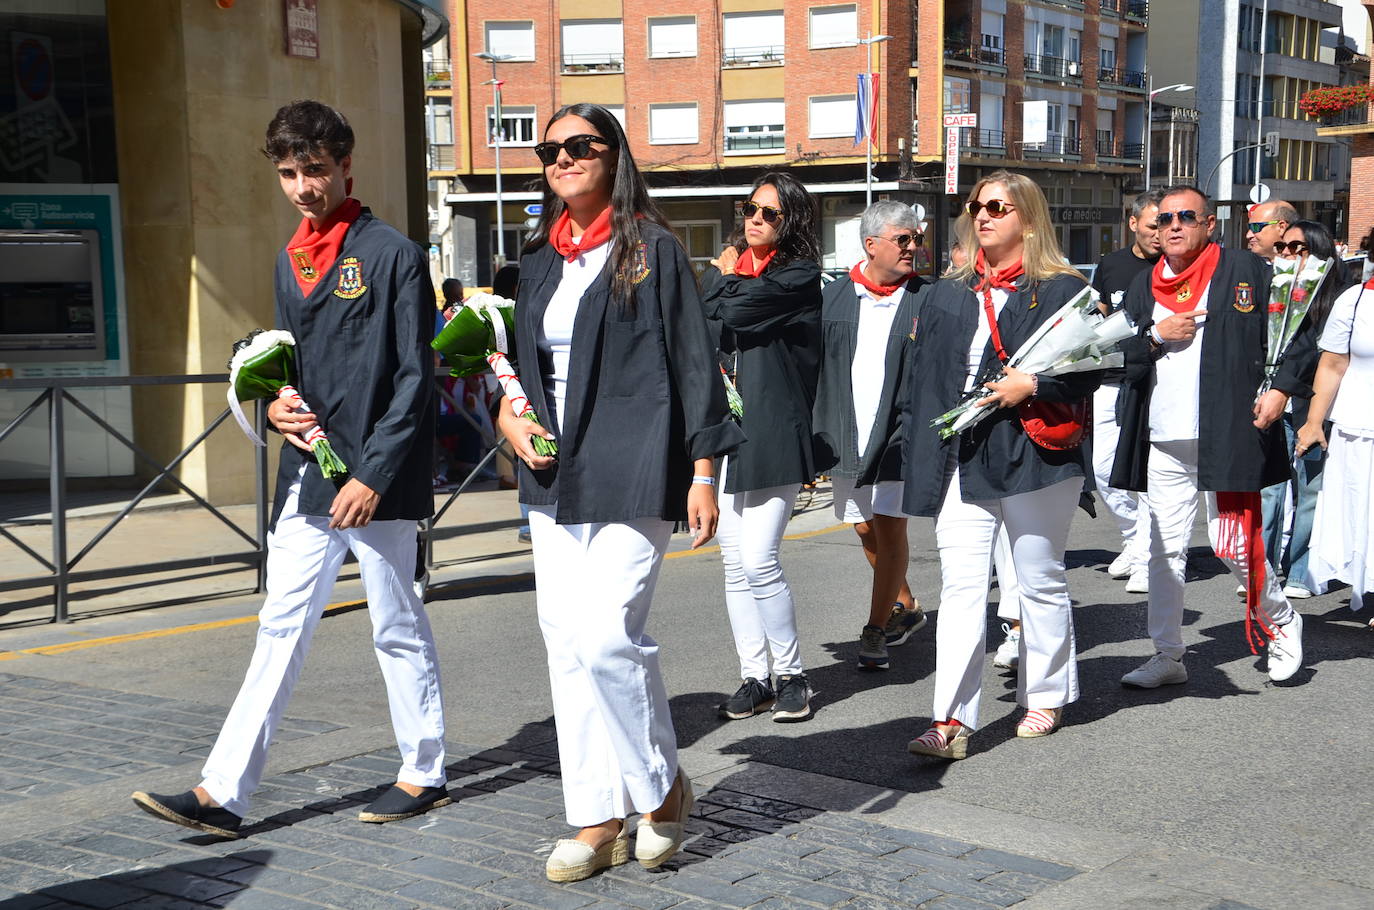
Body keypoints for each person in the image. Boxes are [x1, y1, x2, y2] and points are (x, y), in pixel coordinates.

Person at [131, 100, 448, 837]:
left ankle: (424, 771)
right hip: (307, 476)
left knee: (396, 625)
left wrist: (372, 474)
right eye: (289, 173)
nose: (303, 186)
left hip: (379, 481)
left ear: (345, 165)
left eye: (315, 170)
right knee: (279, 626)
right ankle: (222, 793)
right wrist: (272, 406)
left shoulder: (394, 254)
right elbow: (289, 364)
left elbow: (414, 378)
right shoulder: (287, 258)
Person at [496, 103, 743, 883]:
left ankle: (662, 788)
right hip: (551, 471)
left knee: (607, 637)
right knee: (567, 650)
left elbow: (693, 363)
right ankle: (596, 816)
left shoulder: (654, 251)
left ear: (614, 157)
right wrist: (505, 413)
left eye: (580, 146)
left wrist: (704, 472)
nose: (562, 159)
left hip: (637, 463)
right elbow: (512, 365)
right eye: (549, 150)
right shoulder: (536, 259)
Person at [902, 170, 1098, 759]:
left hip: (1034, 452)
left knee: (1039, 579)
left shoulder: (1063, 290)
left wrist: (1033, 382)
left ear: (1028, 219)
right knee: (961, 588)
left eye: (997, 207)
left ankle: (1047, 694)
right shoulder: (947, 292)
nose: (982, 215)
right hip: (964, 454)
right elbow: (922, 380)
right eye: (975, 206)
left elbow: (1106, 364)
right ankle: (950, 720)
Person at [1111, 185, 1309, 687]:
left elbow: (1298, 332)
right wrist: (1157, 338)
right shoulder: (1142, 285)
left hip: (1228, 431)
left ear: (1208, 224)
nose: (1173, 226)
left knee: (1233, 547)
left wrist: (1283, 390)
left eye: (1186, 217)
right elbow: (1117, 354)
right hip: (1162, 437)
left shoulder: (1246, 271)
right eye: (1164, 220)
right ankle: (1168, 654)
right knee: (1163, 548)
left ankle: (1282, 621)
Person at [702, 172, 823, 723]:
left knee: (759, 559)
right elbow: (706, 324)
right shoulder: (735, 272)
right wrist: (727, 282)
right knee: (733, 563)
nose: (754, 219)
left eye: (769, 213)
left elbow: (733, 312)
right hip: (726, 429)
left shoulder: (798, 274)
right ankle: (756, 676)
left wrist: (725, 279)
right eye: (750, 208)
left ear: (791, 221)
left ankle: (793, 674)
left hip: (775, 430)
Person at [812, 200, 927, 670]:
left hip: (899, 429)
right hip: (847, 430)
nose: (913, 247)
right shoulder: (834, 297)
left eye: (917, 239)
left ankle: (877, 627)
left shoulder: (926, 296)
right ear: (871, 243)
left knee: (890, 523)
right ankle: (905, 602)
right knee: (863, 524)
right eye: (904, 239)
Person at [1260, 221, 1349, 600]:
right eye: (1283, 247)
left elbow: (1329, 359)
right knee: (1269, 488)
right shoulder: (1273, 291)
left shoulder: (1339, 299)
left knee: (1310, 487)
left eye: (1299, 248)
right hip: (1273, 398)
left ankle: (1301, 569)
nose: (1289, 255)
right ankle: (1259, 569)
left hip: (1315, 404)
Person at [1089, 190, 1164, 595]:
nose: (1161, 233)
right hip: (1109, 377)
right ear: (1133, 223)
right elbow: (1098, 312)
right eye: (1154, 225)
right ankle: (1134, 539)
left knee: (1149, 472)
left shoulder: (1174, 266)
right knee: (1104, 469)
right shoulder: (1110, 264)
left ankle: (1147, 556)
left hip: (1154, 379)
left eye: (1166, 225)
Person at [1297, 251, 1374, 626]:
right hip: (1360, 428)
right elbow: (1331, 364)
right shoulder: (1355, 299)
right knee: (1364, 516)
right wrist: (1314, 422)